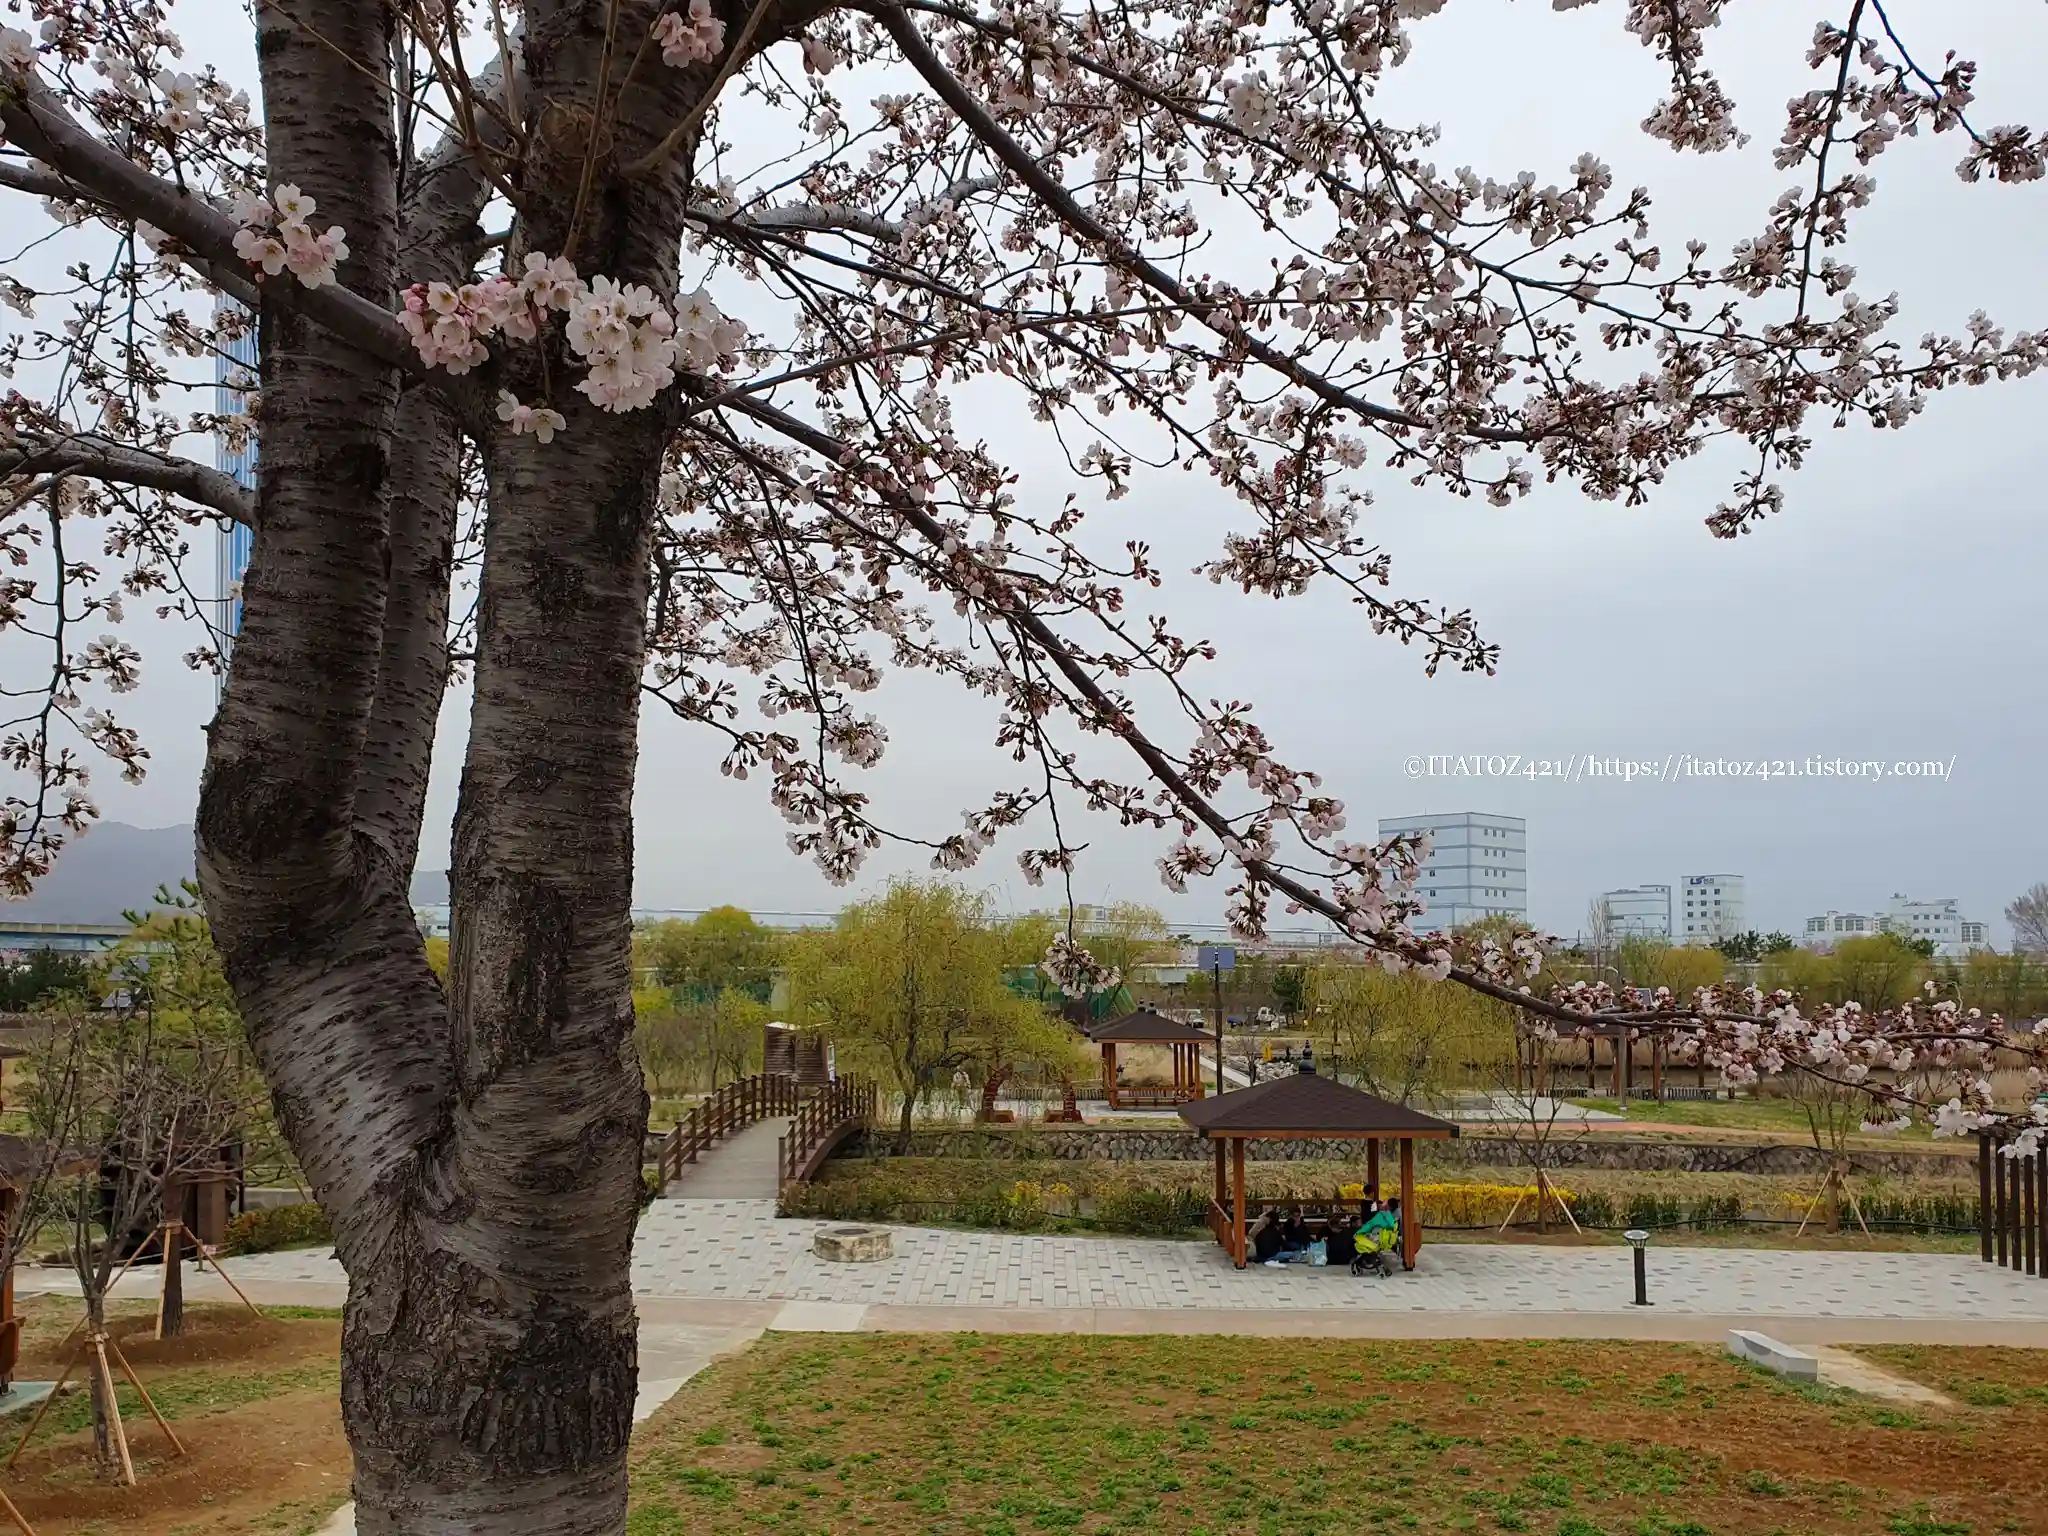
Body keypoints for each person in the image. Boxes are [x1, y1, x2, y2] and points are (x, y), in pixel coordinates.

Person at [1353, 1199, 1400, 1276]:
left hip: (1376, 1241)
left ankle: (1362, 1261)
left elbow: (1369, 1225)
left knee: (1358, 1238)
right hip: (1385, 1242)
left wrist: (1357, 1233)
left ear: (1387, 1206)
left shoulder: (1381, 1216)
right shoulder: (1394, 1220)